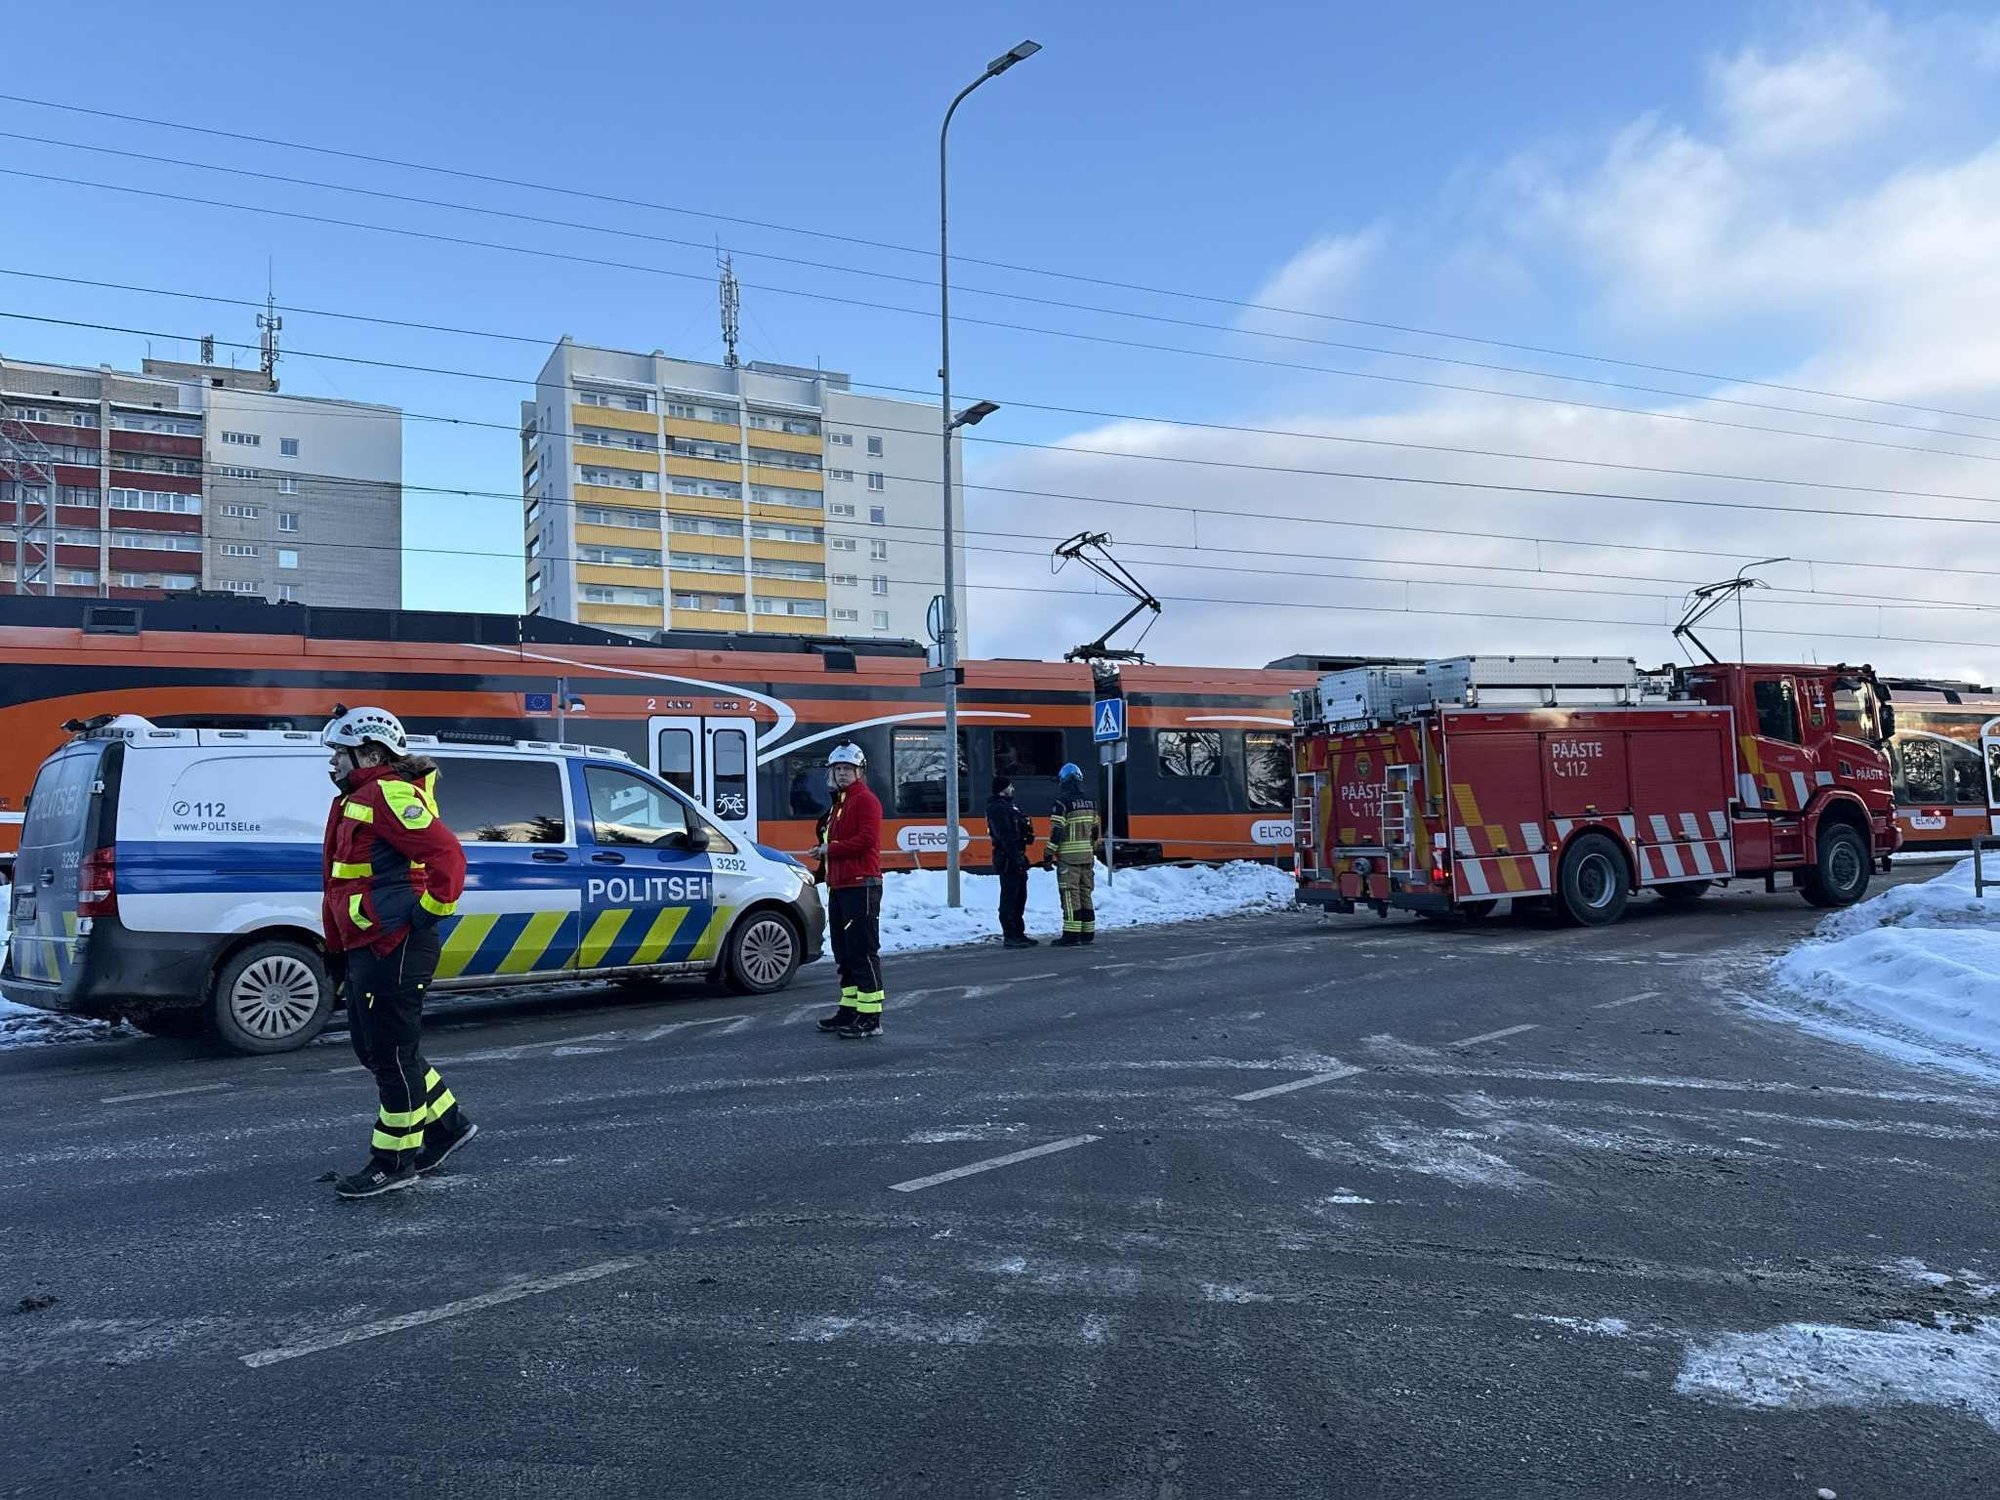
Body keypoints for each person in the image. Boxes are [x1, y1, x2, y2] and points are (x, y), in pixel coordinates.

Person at [321, 706, 474, 1199]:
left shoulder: (387, 792)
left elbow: (447, 855)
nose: (333, 762)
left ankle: (394, 1161)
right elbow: (343, 881)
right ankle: (447, 1126)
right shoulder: (358, 796)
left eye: (340, 753)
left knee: (389, 1054)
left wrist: (430, 912)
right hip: (373, 939)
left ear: (370, 751)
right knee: (378, 1049)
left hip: (396, 941)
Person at [812, 742, 886, 1039]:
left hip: (861, 885)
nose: (842, 774)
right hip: (840, 885)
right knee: (843, 952)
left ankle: (871, 1018)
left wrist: (831, 848)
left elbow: (867, 840)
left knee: (862, 950)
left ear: (859, 772)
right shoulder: (838, 805)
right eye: (838, 769)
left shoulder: (866, 801)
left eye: (847, 769)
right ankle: (850, 1008)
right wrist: (824, 853)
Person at [1044, 762, 1101, 947]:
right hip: (1087, 856)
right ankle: (1088, 933)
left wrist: (1049, 852)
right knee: (1086, 893)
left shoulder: (1061, 803)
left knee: (1070, 895)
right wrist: (1090, 849)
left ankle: (1071, 935)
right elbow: (1095, 831)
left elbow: (1057, 831)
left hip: (1069, 859)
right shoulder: (1091, 802)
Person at [985, 775, 1037, 948]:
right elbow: (1005, 836)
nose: (1013, 789)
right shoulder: (997, 808)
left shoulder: (1012, 806)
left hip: (1018, 855)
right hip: (1008, 858)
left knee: (1020, 896)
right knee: (1010, 897)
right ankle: (1010, 935)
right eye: (1010, 786)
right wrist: (1016, 857)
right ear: (1003, 788)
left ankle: (1019, 933)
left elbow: (1021, 828)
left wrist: (1028, 833)